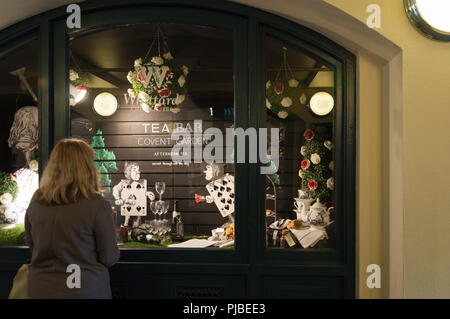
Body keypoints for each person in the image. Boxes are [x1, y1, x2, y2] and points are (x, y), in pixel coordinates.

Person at [25, 138, 120, 299]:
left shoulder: (37, 200)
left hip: (40, 288)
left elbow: (32, 245)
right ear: (87, 167)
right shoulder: (97, 204)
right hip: (84, 290)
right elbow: (109, 257)